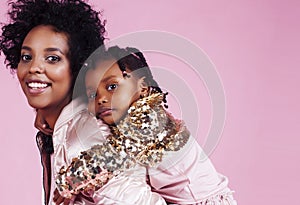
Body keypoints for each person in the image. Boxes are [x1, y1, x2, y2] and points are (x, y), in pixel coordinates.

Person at [0, 1, 166, 205]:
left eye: (52, 58)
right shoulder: (63, 127)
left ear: (78, 67)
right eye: (26, 57)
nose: (34, 67)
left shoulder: (85, 133)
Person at [56, 45, 237, 204]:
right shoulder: (129, 120)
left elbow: (110, 158)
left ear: (142, 87)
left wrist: (69, 182)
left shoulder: (150, 120)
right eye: (92, 95)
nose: (101, 99)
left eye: (112, 86)